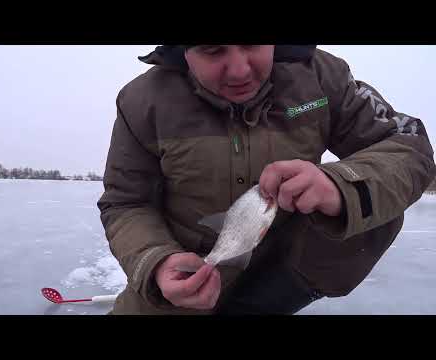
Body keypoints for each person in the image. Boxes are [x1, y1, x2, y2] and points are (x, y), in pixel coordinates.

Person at [97, 45, 436, 315]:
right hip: (184, 279)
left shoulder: (323, 77)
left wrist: (338, 184)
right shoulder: (141, 102)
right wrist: (156, 261)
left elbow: (410, 146)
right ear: (183, 50)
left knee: (373, 199)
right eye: (213, 50)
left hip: (283, 272)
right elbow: (126, 201)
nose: (241, 69)